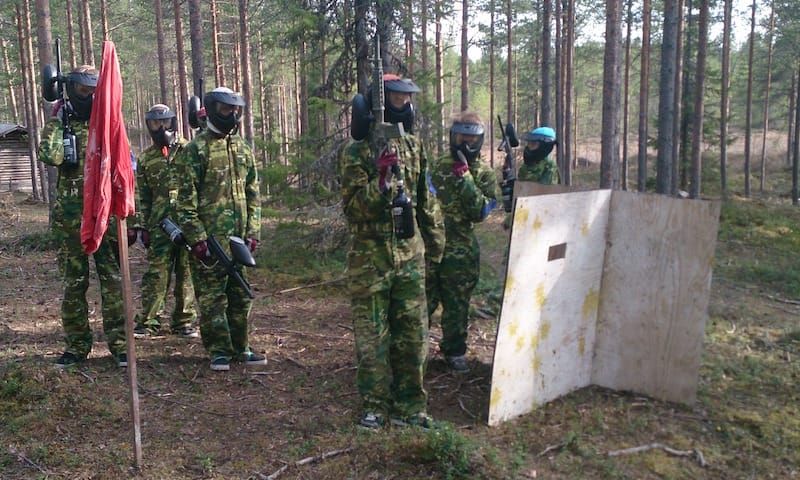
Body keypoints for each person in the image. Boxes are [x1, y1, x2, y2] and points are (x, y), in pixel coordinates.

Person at [341, 74, 445, 429]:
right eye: (397, 99)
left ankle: (410, 407)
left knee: (413, 337)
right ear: (379, 103)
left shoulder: (415, 147)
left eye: (407, 99)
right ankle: (374, 406)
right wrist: (380, 183)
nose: (405, 105)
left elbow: (426, 202)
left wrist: (436, 248)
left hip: (410, 258)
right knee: (372, 338)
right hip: (369, 261)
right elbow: (353, 209)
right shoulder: (356, 152)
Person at [38, 65, 131, 369]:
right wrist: (57, 120)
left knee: (113, 282)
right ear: (71, 90)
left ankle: (121, 346)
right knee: (74, 284)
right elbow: (50, 155)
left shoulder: (108, 126)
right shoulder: (62, 123)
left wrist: (132, 218)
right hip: (71, 218)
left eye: (94, 91)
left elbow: (125, 171)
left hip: (105, 216)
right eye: (83, 90)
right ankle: (77, 346)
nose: (89, 96)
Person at [173, 87, 265, 371]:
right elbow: (184, 201)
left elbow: (253, 193)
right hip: (210, 240)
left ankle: (241, 347)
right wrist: (198, 239)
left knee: (240, 295)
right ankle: (219, 350)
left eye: (236, 110)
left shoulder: (242, 147)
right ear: (213, 110)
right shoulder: (196, 149)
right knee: (212, 297)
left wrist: (253, 232)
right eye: (227, 109)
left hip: (239, 239)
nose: (233, 115)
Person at [426, 112, 498, 373]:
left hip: (461, 249)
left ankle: (454, 351)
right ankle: (414, 353)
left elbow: (480, 212)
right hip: (431, 246)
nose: (465, 145)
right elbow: (423, 201)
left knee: (457, 305)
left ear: (479, 140)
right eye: (460, 138)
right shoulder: (437, 166)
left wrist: (466, 178)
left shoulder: (484, 173)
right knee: (423, 301)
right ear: (452, 137)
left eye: (471, 140)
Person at [132, 104, 198, 339]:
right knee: (156, 274)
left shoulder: (190, 150)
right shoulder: (146, 158)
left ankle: (184, 321)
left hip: (188, 222)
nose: (161, 128)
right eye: (155, 124)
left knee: (186, 273)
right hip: (159, 225)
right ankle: (149, 321)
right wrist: (142, 226)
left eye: (165, 122)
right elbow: (143, 196)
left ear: (174, 122)